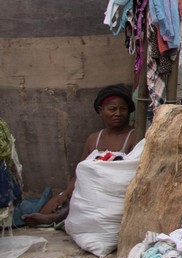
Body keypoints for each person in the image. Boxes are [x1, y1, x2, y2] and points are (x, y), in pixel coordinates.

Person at [24, 84, 139, 226]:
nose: (118, 113)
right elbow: (80, 172)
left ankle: (59, 218)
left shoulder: (133, 137)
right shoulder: (93, 139)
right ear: (100, 111)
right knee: (48, 208)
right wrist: (66, 194)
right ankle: (58, 215)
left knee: (87, 202)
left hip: (113, 193)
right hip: (87, 188)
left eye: (123, 109)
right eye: (112, 109)